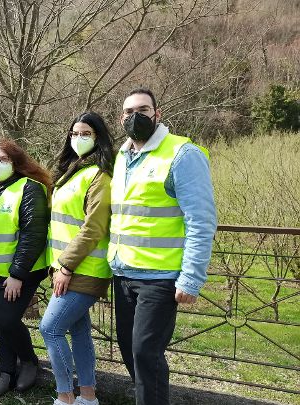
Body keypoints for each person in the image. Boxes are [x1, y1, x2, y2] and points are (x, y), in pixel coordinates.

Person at [109, 89, 216, 405]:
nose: (134, 116)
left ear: (157, 113)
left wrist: (191, 278)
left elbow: (201, 219)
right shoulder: (122, 156)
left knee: (145, 352)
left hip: (160, 276)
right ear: (121, 118)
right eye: (128, 111)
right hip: (124, 272)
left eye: (142, 109)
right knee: (131, 351)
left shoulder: (182, 153)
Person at [39, 112, 115, 405]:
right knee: (79, 329)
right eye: (74, 133)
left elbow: (94, 227)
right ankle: (88, 396)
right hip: (64, 268)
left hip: (84, 269)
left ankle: (65, 397)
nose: (78, 138)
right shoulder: (71, 171)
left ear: (99, 138)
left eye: (86, 133)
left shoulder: (100, 176)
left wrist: (67, 265)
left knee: (51, 328)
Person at [0, 139, 51, 400]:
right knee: (1, 323)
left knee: (6, 319)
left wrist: (17, 274)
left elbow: (33, 235)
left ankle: (28, 360)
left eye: (3, 159)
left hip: (19, 273)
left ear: (16, 162)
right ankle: (6, 375)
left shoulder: (30, 188)